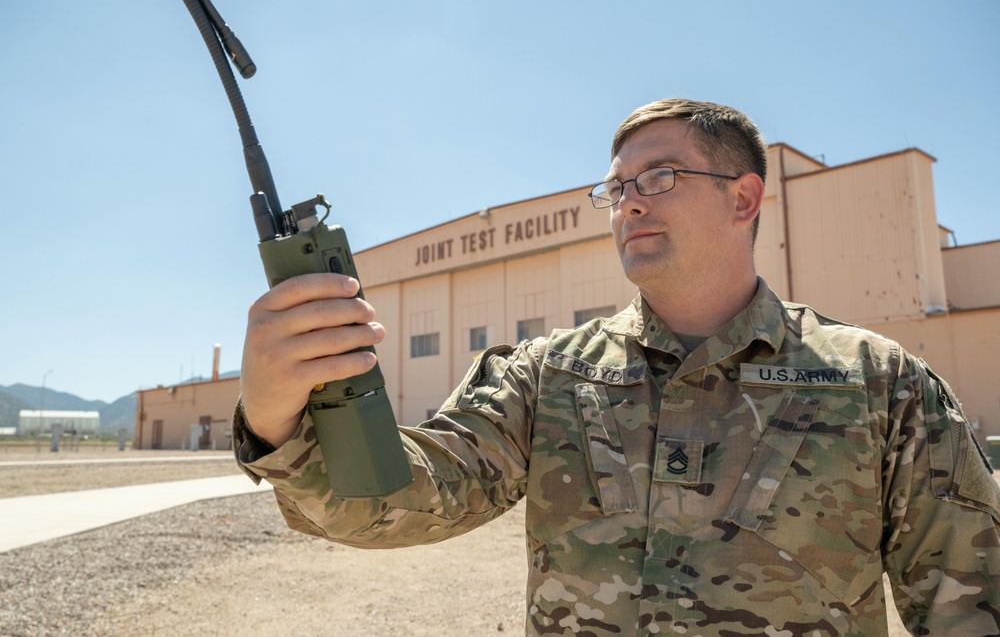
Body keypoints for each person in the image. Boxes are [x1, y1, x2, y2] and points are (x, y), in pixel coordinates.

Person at [233, 98, 1000, 636]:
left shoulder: (877, 384)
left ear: (743, 199)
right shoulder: (549, 376)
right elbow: (400, 501)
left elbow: (972, 602)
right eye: (616, 187)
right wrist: (277, 418)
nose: (628, 202)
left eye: (659, 177)